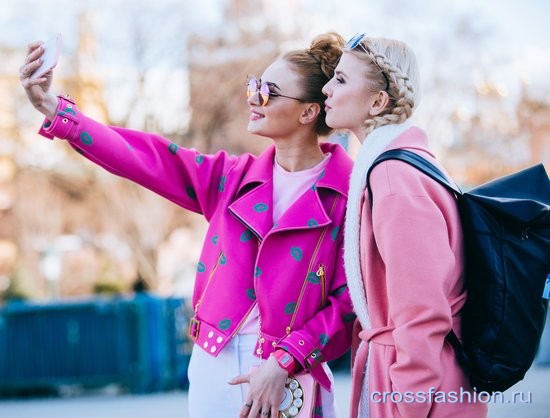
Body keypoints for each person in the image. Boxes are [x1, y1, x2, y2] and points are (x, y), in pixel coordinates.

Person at [20, 32, 355, 418]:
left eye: (269, 91)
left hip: (291, 373)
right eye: (254, 85)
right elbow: (146, 157)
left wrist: (286, 359)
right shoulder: (232, 177)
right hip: (214, 365)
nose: (253, 98)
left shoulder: (351, 193)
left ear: (308, 112)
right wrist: (53, 109)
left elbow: (351, 301)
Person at [322, 33, 488, 417]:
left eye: (342, 80)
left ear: (378, 102)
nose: (327, 89)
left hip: (420, 394)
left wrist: (408, 402)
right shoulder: (400, 165)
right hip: (419, 379)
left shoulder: (394, 178)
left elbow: (422, 309)